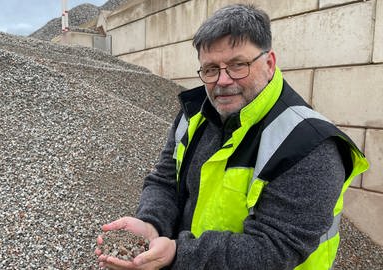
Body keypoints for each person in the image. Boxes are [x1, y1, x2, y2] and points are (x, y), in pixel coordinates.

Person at [95, 4, 369, 270]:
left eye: (238, 65)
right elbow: (166, 180)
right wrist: (151, 225)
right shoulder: (193, 116)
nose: (223, 80)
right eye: (211, 69)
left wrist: (178, 253)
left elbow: (274, 249)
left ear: (269, 63)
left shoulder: (310, 144)